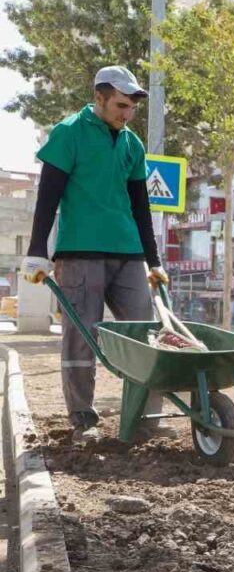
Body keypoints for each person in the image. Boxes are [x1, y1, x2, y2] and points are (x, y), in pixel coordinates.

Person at [20, 66, 170, 443]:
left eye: (132, 108)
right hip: (80, 252)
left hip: (128, 253)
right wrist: (38, 250)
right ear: (99, 98)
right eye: (121, 105)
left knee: (145, 333)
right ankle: (83, 418)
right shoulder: (69, 132)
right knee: (82, 336)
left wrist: (154, 260)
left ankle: (147, 415)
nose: (127, 114)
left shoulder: (132, 144)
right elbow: (48, 194)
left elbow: (141, 206)